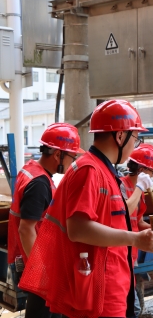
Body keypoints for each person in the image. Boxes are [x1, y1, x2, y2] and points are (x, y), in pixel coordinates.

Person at [18, 99, 153, 318]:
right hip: (100, 293)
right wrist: (135, 239)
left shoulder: (106, 172)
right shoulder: (89, 170)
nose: (135, 145)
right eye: (135, 138)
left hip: (112, 285)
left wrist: (142, 236)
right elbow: (78, 228)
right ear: (120, 136)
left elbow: (111, 220)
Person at [8, 123, 84, 318]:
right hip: (42, 265)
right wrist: (41, 269)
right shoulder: (39, 184)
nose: (72, 162)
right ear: (58, 155)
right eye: (72, 157)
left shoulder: (32, 170)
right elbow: (26, 229)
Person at [120, 143, 153, 317]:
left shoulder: (141, 192)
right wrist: (139, 188)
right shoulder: (122, 186)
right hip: (118, 251)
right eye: (152, 171)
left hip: (131, 255)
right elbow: (124, 213)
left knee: (132, 307)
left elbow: (137, 221)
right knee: (130, 308)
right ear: (142, 169)